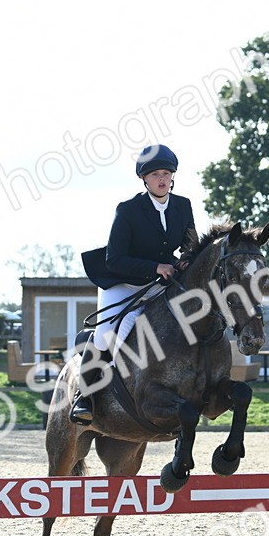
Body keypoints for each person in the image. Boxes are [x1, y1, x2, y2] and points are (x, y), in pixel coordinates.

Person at [72, 144, 196, 425]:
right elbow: (114, 259)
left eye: (166, 173)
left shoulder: (183, 205)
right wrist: (155, 266)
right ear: (144, 179)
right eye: (155, 175)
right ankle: (85, 396)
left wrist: (186, 260)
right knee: (106, 334)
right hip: (121, 281)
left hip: (157, 283)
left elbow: (191, 246)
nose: (162, 179)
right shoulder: (128, 210)